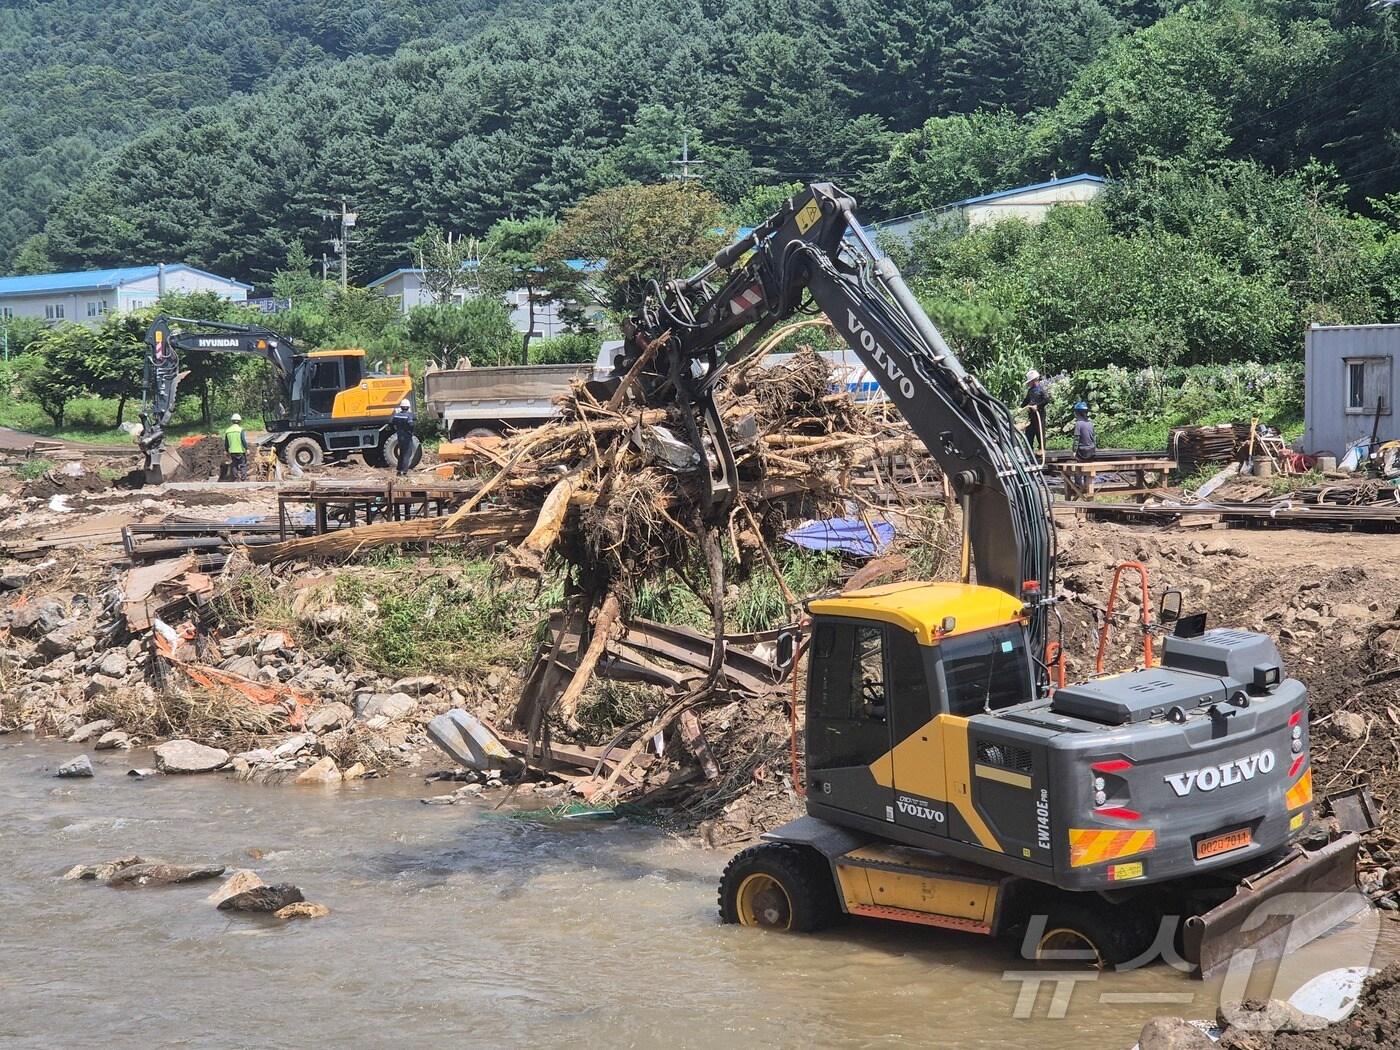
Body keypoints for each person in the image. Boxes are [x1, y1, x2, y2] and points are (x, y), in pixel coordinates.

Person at [1021, 369, 1049, 458]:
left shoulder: (1041, 390)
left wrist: (1037, 406)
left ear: (1034, 381)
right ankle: (1029, 448)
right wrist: (1020, 407)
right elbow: (1026, 400)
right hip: (1031, 415)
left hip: (1039, 414)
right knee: (1029, 431)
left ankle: (1042, 448)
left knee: (1039, 431)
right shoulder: (1030, 391)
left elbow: (1046, 400)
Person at [391, 397, 416, 476]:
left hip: (399, 436)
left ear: (401, 407)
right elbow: (411, 424)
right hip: (407, 437)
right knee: (407, 454)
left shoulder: (397, 415)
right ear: (408, 407)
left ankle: (399, 470)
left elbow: (392, 422)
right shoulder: (409, 415)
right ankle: (404, 471)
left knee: (401, 453)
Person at [223, 413, 249, 481]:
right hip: (240, 451)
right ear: (239, 421)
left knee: (234, 465)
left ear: (232, 421)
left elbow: (226, 442)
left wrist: (226, 450)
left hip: (232, 451)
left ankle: (236, 477)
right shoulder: (240, 430)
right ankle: (243, 478)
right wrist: (247, 448)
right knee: (243, 464)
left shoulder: (228, 430)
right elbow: (243, 440)